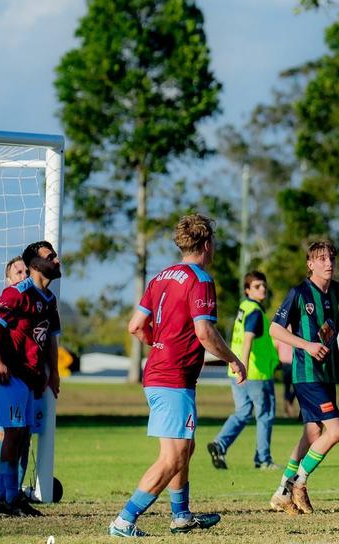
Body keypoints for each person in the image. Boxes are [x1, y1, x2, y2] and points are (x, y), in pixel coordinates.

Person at [109, 214, 247, 537]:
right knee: (172, 458)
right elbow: (205, 332)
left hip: (157, 373)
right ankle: (124, 520)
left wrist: (159, 344)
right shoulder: (200, 279)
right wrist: (234, 360)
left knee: (186, 447)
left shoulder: (159, 277)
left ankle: (181, 515)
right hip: (173, 378)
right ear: (207, 244)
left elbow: (135, 326)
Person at [267, 241, 339, 516]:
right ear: (310, 263)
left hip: (328, 373)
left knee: (313, 432)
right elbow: (275, 330)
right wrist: (306, 345)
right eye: (321, 258)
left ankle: (282, 491)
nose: (328, 263)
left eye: (331, 258)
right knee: (336, 430)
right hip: (306, 374)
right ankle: (299, 483)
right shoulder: (299, 293)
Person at [0, 244, 62, 517]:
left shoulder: (49, 299)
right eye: (51, 257)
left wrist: (53, 374)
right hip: (4, 373)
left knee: (21, 434)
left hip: (27, 378)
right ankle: (8, 497)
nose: (57, 260)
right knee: (11, 434)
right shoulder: (17, 293)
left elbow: (49, 339)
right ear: (36, 264)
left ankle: (3, 497)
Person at [207, 271, 278, 470]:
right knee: (265, 414)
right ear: (247, 290)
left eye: (263, 285)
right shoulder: (255, 311)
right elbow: (247, 340)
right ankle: (263, 459)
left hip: (236, 371)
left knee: (243, 412)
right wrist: (244, 367)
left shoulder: (243, 308)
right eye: (256, 286)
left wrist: (238, 368)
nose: (262, 289)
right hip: (255, 373)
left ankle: (219, 444)